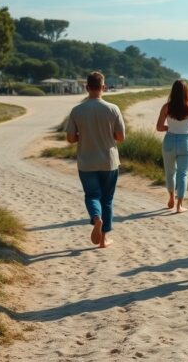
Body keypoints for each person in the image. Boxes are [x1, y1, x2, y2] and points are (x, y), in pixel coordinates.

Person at [66, 71, 126, 248]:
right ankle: (103, 239)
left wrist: (82, 136)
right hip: (108, 161)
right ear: (103, 87)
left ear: (86, 88)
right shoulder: (113, 109)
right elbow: (121, 137)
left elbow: (70, 138)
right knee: (107, 199)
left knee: (92, 195)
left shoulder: (77, 110)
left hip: (86, 161)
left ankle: (96, 217)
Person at [156, 80, 188, 213]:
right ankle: (179, 205)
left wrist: (170, 127)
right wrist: (185, 126)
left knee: (170, 173)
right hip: (185, 142)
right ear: (186, 92)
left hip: (169, 140)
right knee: (183, 174)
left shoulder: (166, 107)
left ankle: (170, 198)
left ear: (173, 91)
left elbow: (159, 127)